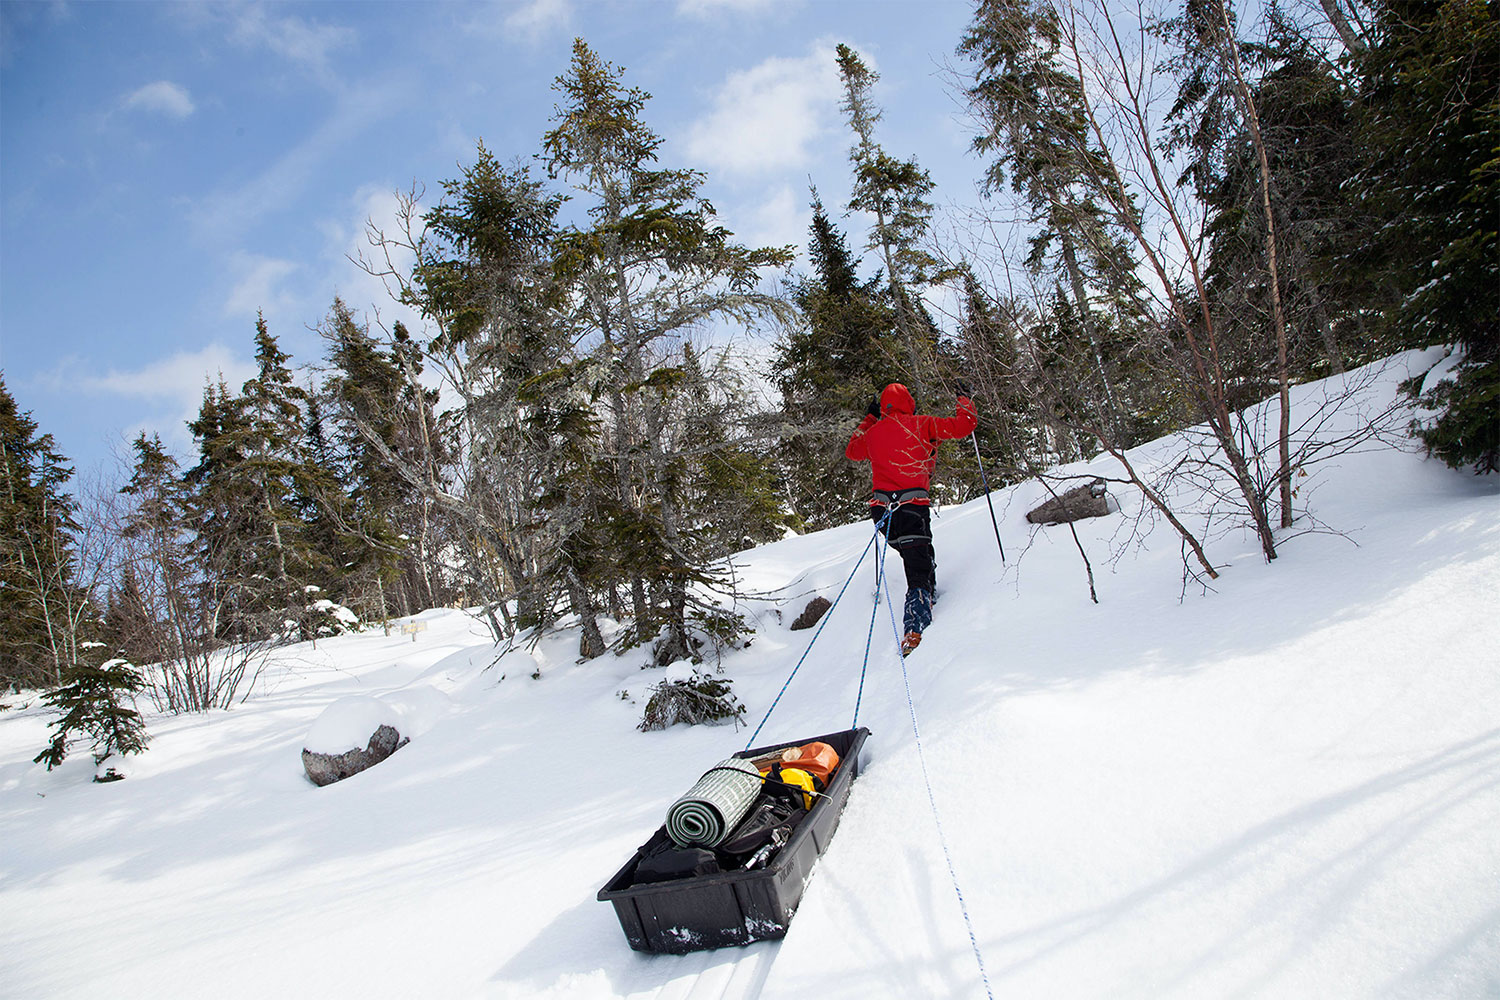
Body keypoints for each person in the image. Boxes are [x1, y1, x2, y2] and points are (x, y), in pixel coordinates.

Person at [845, 382, 977, 654]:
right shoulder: (922, 424)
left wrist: (870, 418)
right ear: (908, 403)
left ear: (883, 407)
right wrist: (965, 399)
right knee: (917, 564)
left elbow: (852, 451)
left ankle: (927, 593)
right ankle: (914, 629)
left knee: (916, 553)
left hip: (883, 512)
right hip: (912, 507)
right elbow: (964, 426)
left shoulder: (873, 433)